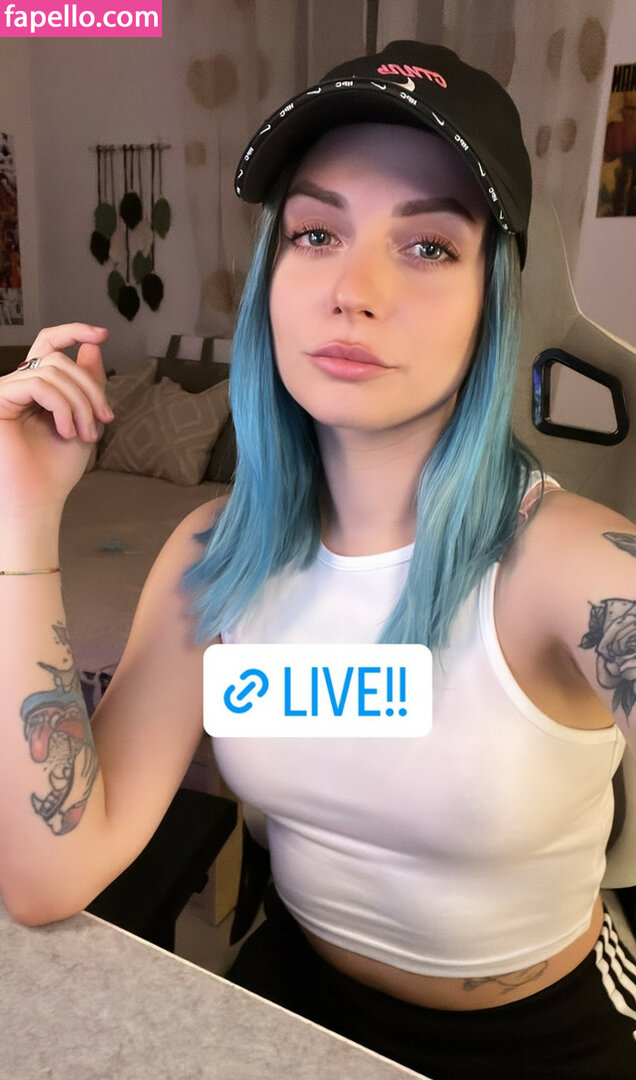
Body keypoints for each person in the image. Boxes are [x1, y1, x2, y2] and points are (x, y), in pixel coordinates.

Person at [1, 39, 636, 1080]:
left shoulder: (577, 571)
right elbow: (48, 877)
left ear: (494, 299)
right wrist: (21, 522)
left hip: (543, 1033)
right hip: (291, 996)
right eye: (315, 233)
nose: (354, 289)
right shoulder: (215, 555)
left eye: (427, 245)